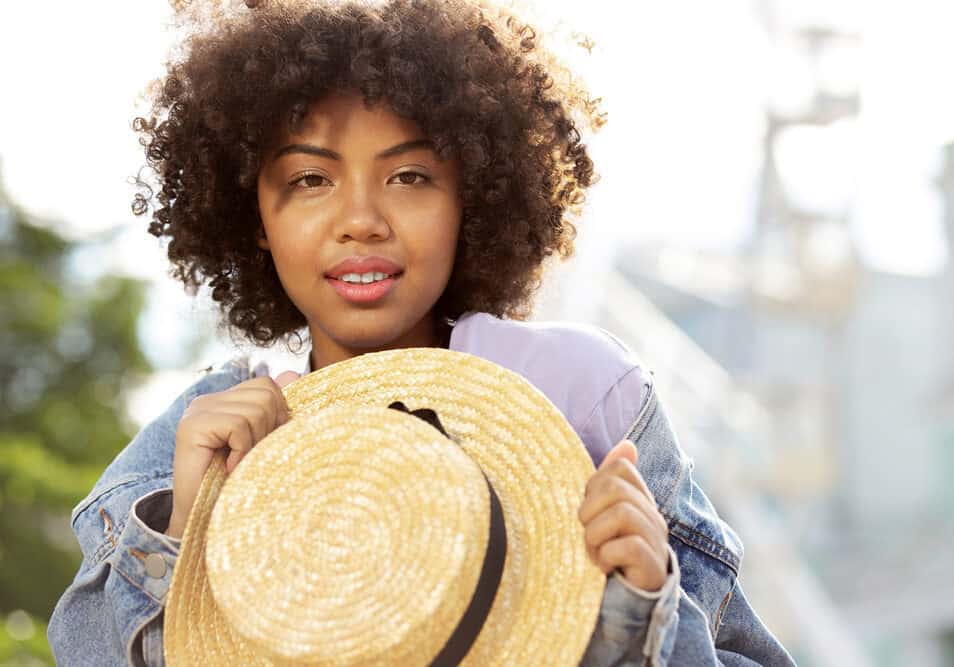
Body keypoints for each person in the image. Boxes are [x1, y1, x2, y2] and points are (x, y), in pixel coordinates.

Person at [47, 0, 795, 665]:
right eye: (311, 179)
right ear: (255, 221)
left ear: (473, 194)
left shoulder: (584, 395)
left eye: (409, 177)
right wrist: (182, 529)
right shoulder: (203, 431)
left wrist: (641, 615)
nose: (361, 219)